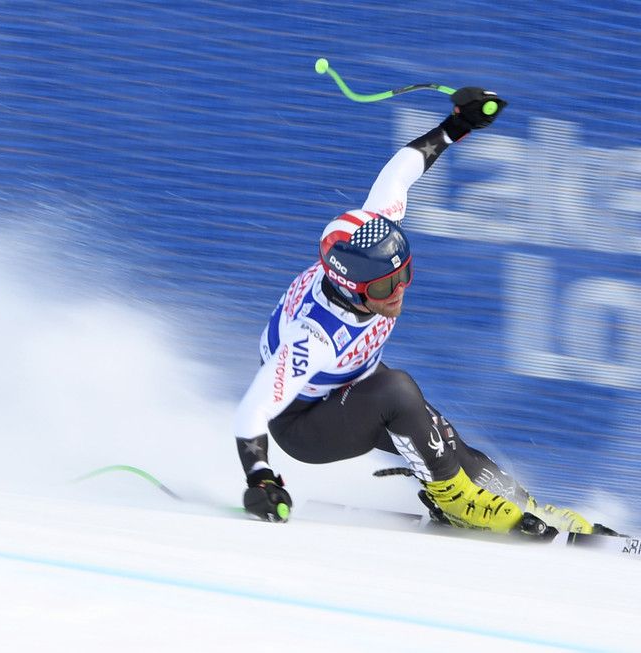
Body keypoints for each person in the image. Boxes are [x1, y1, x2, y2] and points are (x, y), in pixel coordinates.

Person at [233, 86, 595, 535]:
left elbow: (401, 171)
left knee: (444, 440)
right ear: (349, 287)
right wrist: (261, 479)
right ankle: (454, 500)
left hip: (352, 384)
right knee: (398, 391)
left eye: (404, 273)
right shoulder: (314, 336)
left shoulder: (374, 232)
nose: (398, 292)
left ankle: (530, 506)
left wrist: (456, 125)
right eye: (384, 286)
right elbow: (252, 411)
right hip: (306, 425)